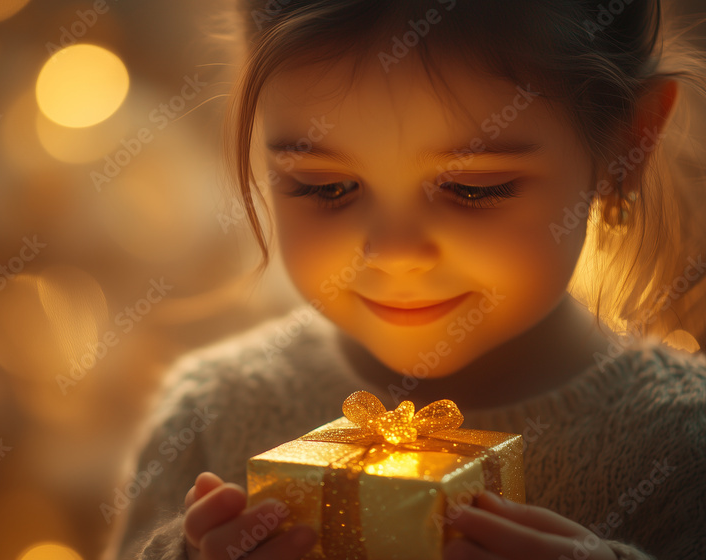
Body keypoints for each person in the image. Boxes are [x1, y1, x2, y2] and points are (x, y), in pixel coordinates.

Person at [101, 0, 706, 558]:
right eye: (325, 187)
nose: (393, 253)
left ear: (631, 144)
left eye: (474, 187)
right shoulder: (211, 415)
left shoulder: (686, 445)